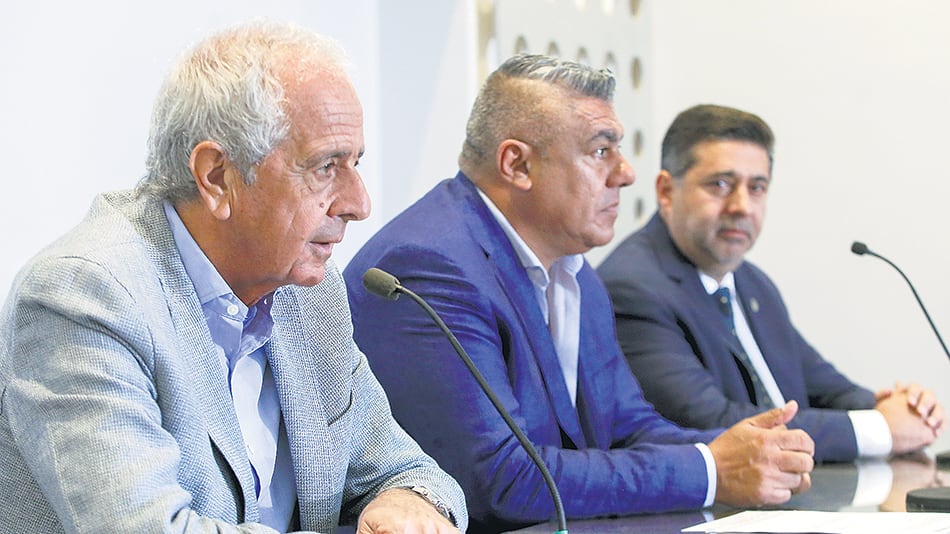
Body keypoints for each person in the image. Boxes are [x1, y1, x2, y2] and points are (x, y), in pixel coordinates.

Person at [0, 22, 466, 533]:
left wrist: (410, 503)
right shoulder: (84, 297)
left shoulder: (310, 294)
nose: (359, 203)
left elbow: (407, 470)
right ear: (217, 177)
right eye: (325, 167)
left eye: (354, 163)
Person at [342, 56, 814, 533]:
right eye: (601, 150)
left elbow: (627, 427)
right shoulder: (429, 266)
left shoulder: (575, 270)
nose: (626, 173)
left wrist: (740, 450)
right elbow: (502, 480)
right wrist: (710, 470)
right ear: (518, 165)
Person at [597, 103, 944, 464]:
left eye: (757, 187)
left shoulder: (751, 283)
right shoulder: (633, 289)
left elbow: (826, 388)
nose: (742, 206)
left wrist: (900, 408)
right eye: (720, 184)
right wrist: (881, 429)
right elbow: (713, 423)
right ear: (667, 191)